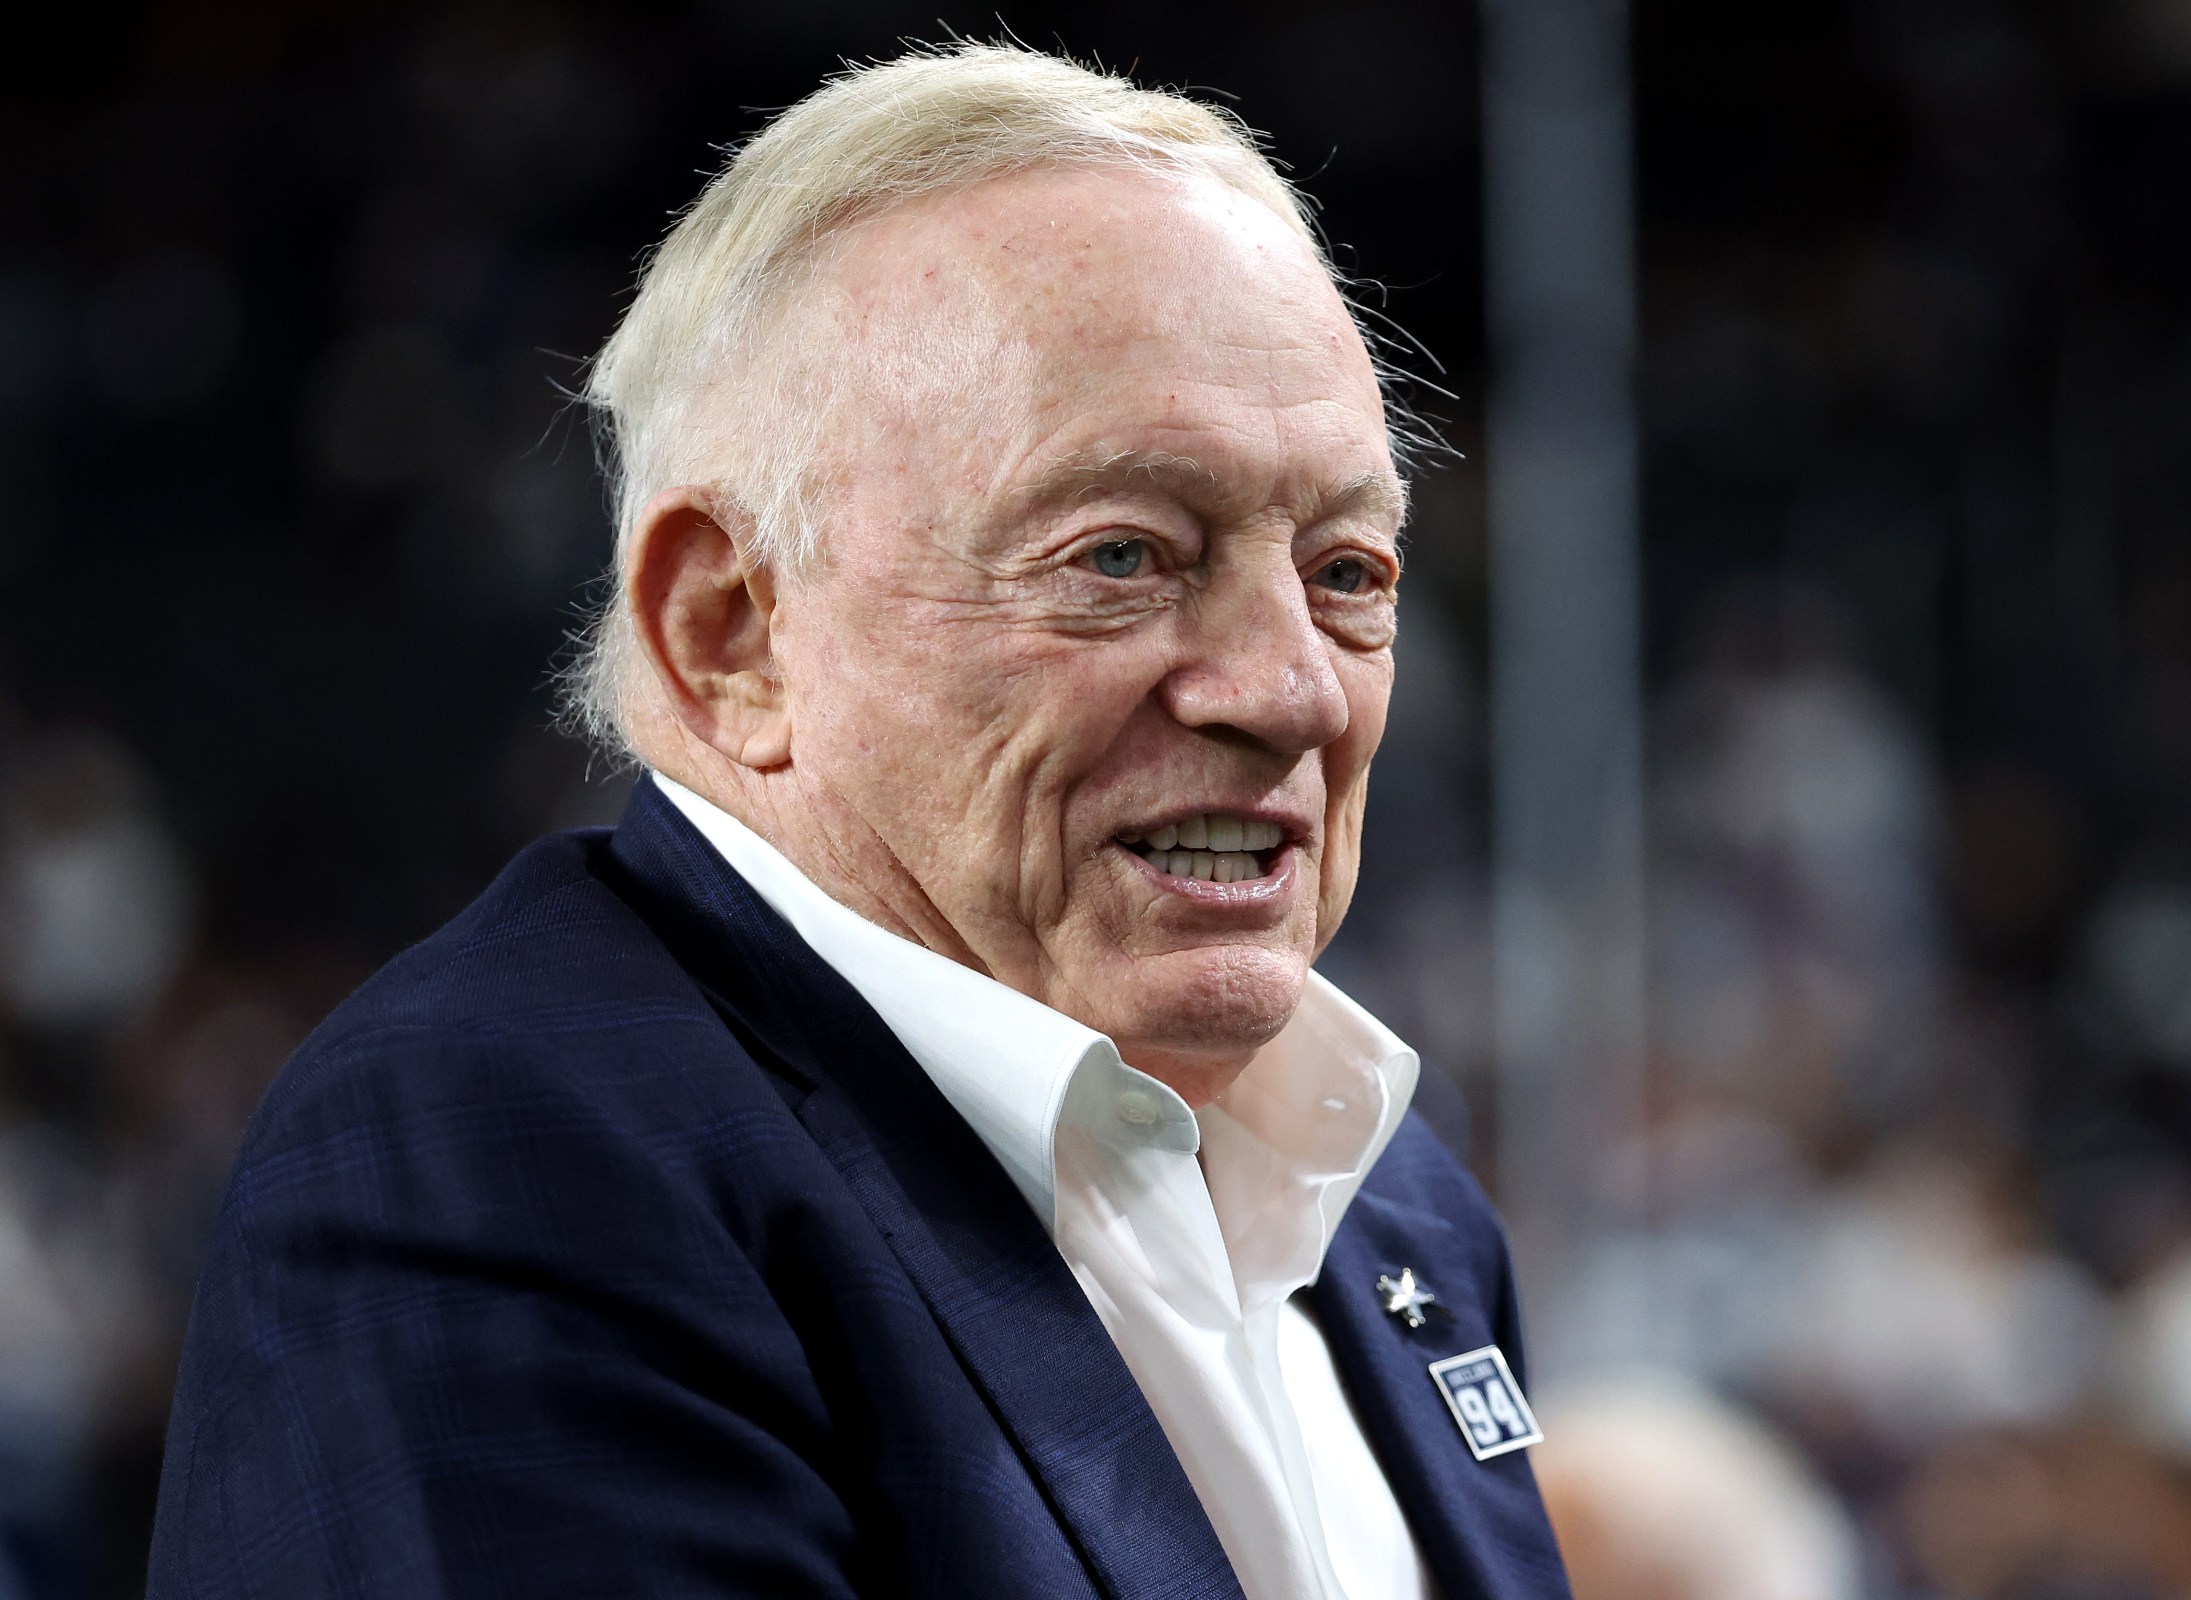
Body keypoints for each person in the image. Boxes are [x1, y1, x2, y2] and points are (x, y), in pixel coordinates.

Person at [147, 44, 1569, 1600]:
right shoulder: (494, 1164)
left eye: (1348, 573)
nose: (1292, 691)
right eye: (1122, 557)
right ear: (732, 637)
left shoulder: (1395, 1203)